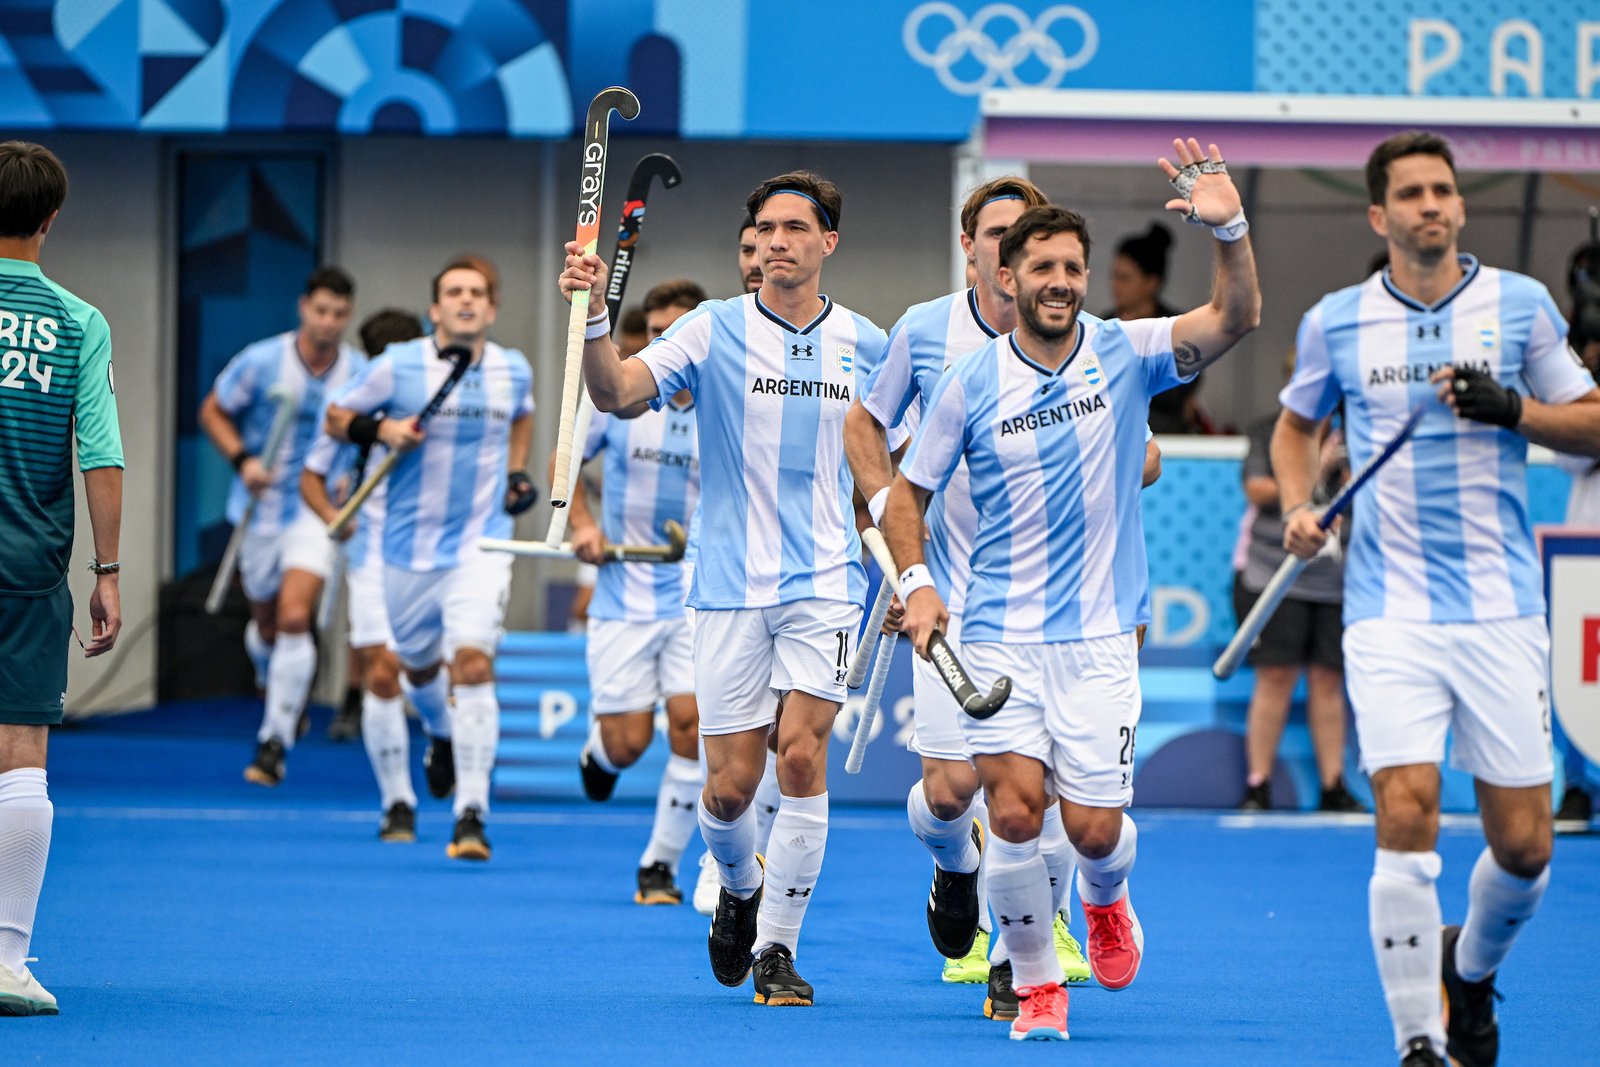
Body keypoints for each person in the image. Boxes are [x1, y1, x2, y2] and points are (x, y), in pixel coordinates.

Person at [886, 142, 1260, 1042]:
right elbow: (907, 495)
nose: (1058, 281)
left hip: (1099, 637)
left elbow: (1236, 317)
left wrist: (1231, 230)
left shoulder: (1128, 350)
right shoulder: (968, 381)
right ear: (1006, 276)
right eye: (1041, 267)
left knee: (1093, 830)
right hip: (997, 635)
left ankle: (1106, 894)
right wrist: (918, 582)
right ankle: (1036, 984)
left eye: (1071, 268)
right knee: (1013, 810)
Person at [1272, 130, 1600, 1067]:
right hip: (1389, 611)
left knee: (1527, 848)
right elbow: (1294, 428)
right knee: (1407, 806)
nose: (1431, 205)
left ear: (1459, 207)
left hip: (1502, 609)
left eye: (1443, 190)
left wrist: (1516, 410)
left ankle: (1471, 970)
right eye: (1412, 193)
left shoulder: (1520, 304)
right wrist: (1298, 505)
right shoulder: (1337, 320)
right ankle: (1418, 1037)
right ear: (1380, 216)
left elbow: (1593, 423)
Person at [562, 171, 883, 1007]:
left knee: (801, 754)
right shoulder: (711, 327)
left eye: (794, 228)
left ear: (827, 242)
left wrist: (909, 559)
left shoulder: (868, 342)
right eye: (765, 229)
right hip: (729, 585)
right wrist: (592, 316)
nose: (777, 241)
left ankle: (778, 948)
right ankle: (739, 884)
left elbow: (902, 459)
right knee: (731, 788)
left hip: (827, 580)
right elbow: (614, 392)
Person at [846, 175, 1101, 1014]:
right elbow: (865, 423)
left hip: (1052, 603)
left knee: (1035, 792)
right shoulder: (926, 329)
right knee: (951, 792)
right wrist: (896, 541)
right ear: (971, 247)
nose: (1011, 249)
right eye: (997, 234)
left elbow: (1141, 451)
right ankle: (955, 865)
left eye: (1027, 234)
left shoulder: (1086, 340)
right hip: (948, 598)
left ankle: (1017, 955)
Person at [325, 257, 536, 861]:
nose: (466, 301)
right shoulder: (398, 364)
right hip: (405, 552)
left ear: (492, 308)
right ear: (435, 309)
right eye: (454, 292)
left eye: (477, 293)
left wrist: (516, 471)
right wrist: (381, 430)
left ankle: (471, 813)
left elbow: (522, 415)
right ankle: (441, 732)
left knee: (471, 663)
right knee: (417, 671)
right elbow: (335, 417)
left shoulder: (513, 368)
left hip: (481, 546)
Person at [0, 141, 123, 1016]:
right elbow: (101, 456)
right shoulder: (78, 321)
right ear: (51, 219)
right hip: (27, 565)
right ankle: (6, 960)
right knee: (20, 754)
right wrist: (106, 571)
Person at [566, 279, 705, 905]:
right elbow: (566, 463)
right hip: (623, 594)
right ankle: (599, 752)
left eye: (677, 331)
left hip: (697, 594)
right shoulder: (618, 397)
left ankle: (659, 865)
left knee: (691, 726)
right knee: (627, 746)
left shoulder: (722, 406)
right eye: (654, 332)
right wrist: (582, 524)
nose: (665, 342)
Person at [198, 267, 361, 786]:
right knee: (267, 624)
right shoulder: (262, 360)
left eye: (339, 314)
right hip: (261, 509)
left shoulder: (358, 371)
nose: (328, 322)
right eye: (321, 310)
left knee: (294, 616)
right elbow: (213, 410)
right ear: (303, 307)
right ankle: (276, 678)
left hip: (317, 511)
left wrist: (351, 482)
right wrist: (242, 459)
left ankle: (273, 741)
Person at [298, 308, 424, 840]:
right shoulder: (351, 409)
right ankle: (397, 800)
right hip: (371, 552)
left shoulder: (440, 407)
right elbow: (311, 476)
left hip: (435, 556)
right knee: (381, 669)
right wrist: (334, 517)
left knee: (432, 673)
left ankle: (443, 742)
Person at [1233, 354, 1360, 813]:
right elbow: (1259, 489)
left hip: (1336, 578)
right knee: (1276, 676)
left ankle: (1333, 786)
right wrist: (1316, 469)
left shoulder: (1356, 435)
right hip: (1274, 574)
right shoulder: (1270, 431)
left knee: (1329, 679)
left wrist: (1348, 478)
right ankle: (1258, 784)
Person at [325, 309, 428, 743]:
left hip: (425, 538)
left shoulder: (431, 394)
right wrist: (339, 492)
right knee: (368, 632)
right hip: (368, 534)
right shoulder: (356, 398)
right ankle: (355, 694)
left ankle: (438, 718)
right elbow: (329, 447)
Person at [1552, 240, 1600, 833]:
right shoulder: (1573, 368)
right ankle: (1578, 784)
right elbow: (1571, 454)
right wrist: (1590, 374)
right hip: (1588, 543)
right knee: (1579, 666)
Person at [1104, 223, 1208, 434]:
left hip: (1167, 437)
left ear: (1152, 282)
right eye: (1114, 276)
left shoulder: (1178, 328)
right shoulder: (1103, 326)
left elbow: (1178, 393)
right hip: (1114, 434)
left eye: (1124, 278)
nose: (1115, 285)